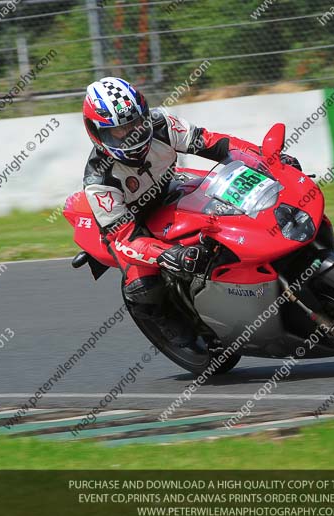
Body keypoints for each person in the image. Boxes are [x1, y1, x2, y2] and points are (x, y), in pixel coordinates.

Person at [81, 76, 300, 345]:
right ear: (97, 131)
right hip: (133, 223)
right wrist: (170, 254)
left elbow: (213, 143)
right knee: (141, 285)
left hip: (171, 189)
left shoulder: (162, 125)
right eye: (119, 131)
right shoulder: (99, 181)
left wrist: (263, 158)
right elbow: (124, 240)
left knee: (236, 204)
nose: (132, 134)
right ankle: (167, 323)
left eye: (136, 123)